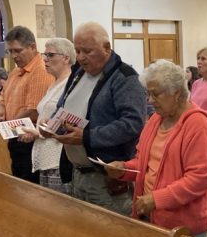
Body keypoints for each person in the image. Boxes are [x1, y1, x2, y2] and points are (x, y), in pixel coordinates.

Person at [104, 60, 207, 237]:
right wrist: (124, 169)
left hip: (183, 226)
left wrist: (157, 199)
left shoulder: (198, 124)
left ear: (177, 93)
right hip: (151, 216)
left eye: (155, 94)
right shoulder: (156, 120)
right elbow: (144, 163)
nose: (150, 100)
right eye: (148, 94)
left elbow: (200, 177)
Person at [46, 22, 147, 215]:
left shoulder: (125, 77)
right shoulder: (78, 73)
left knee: (112, 230)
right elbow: (62, 106)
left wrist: (87, 136)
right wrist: (51, 124)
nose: (81, 57)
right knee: (82, 229)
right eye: (77, 51)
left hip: (106, 179)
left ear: (106, 48)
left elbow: (133, 124)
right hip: (77, 172)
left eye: (87, 51)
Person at [0, 26, 54, 182]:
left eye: (18, 51)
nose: (13, 56)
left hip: (30, 141)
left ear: (32, 47)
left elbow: (34, 112)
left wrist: (5, 126)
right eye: (10, 51)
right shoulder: (15, 71)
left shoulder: (40, 71)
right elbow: (3, 98)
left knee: (29, 187)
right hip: (15, 136)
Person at [16, 38, 75, 193]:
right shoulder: (54, 84)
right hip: (44, 156)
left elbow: (67, 122)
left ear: (66, 58)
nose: (45, 59)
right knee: (46, 204)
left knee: (59, 205)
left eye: (50, 55)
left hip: (58, 158)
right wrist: (34, 132)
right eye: (44, 55)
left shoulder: (70, 84)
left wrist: (38, 133)